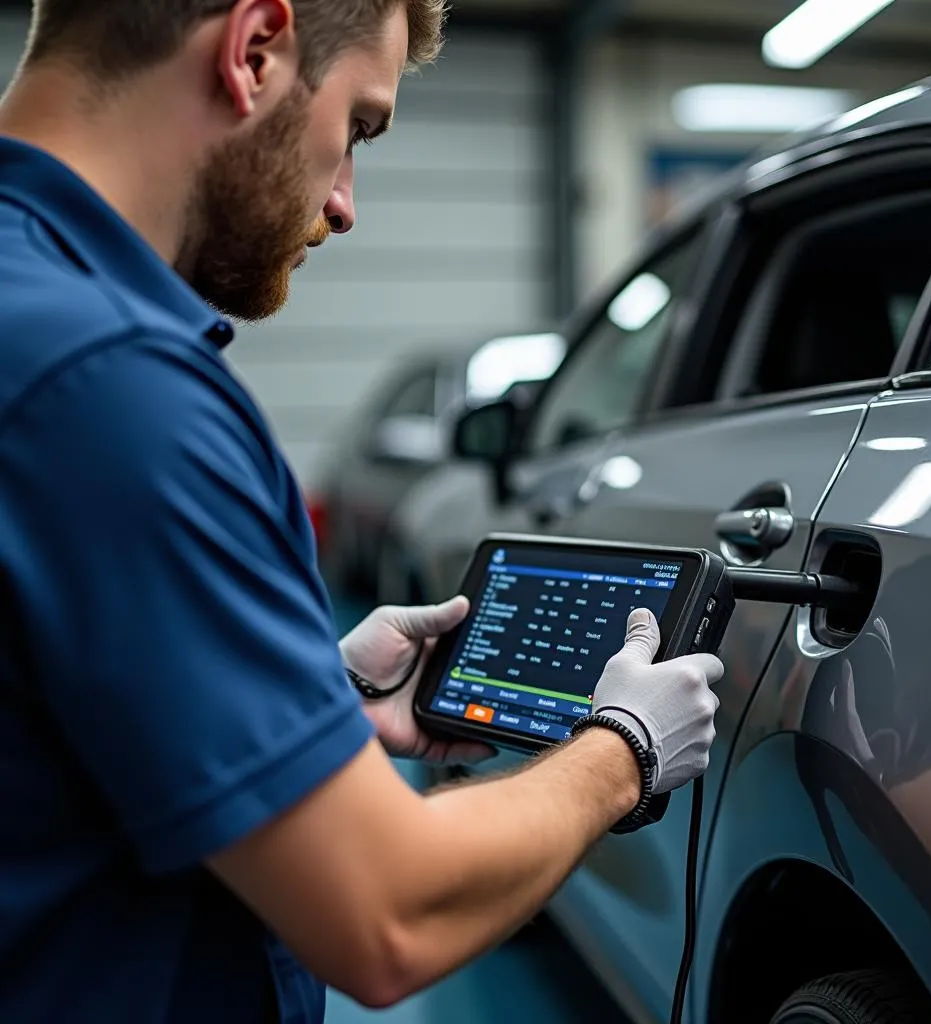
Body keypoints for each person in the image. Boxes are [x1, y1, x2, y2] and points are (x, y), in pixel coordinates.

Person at [0, 2, 724, 1022]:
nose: (344, 205)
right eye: (358, 129)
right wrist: (622, 751)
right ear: (255, 49)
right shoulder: (112, 385)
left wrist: (309, 706)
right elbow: (388, 916)